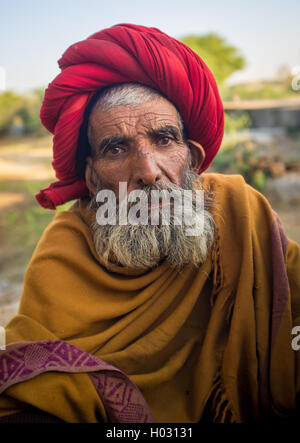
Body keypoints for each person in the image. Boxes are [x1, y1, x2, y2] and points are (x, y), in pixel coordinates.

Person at [0, 23, 299, 424]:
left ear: (192, 159)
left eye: (164, 139)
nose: (148, 170)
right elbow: (34, 385)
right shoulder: (64, 253)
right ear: (92, 177)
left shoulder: (240, 212)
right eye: (116, 148)